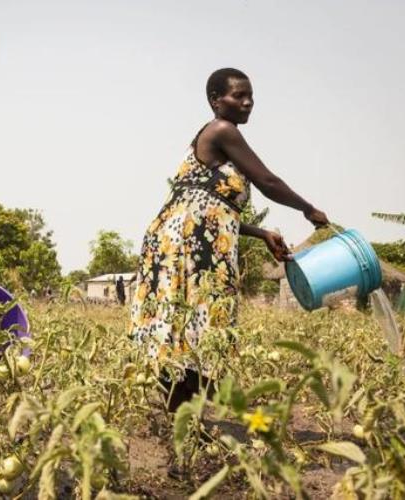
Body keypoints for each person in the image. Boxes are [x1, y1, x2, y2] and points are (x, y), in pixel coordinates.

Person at [130, 68, 329, 413]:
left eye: (251, 96)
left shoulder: (219, 137)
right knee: (190, 329)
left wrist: (262, 232)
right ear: (215, 101)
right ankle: (184, 427)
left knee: (195, 330)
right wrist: (307, 208)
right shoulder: (222, 130)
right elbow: (266, 180)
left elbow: (210, 212)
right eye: (239, 96)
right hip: (183, 248)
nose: (248, 102)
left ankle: (186, 423)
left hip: (192, 242)